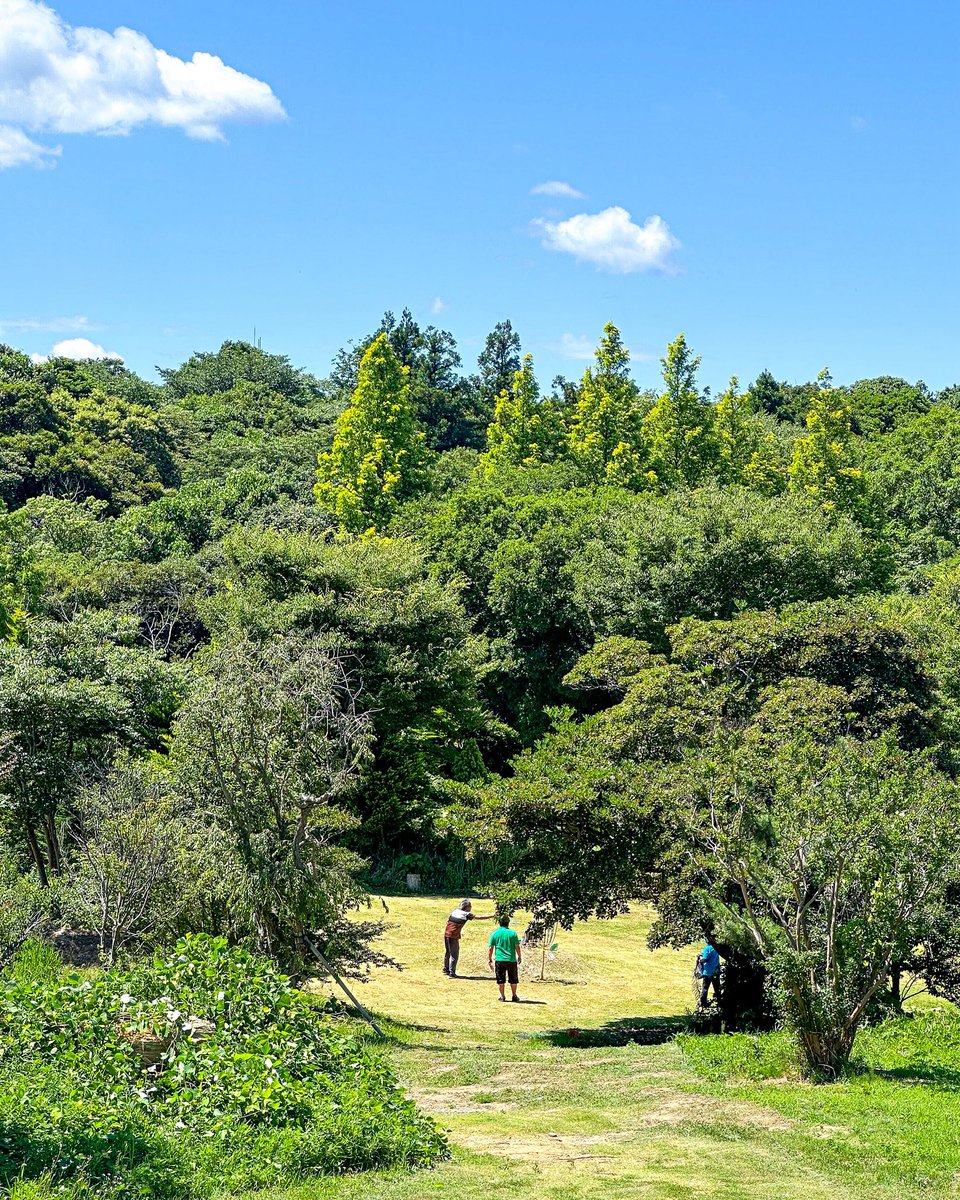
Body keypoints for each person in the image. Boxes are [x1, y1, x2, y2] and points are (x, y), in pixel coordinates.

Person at [443, 899, 494, 977]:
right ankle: (452, 972)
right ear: (467, 907)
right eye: (470, 906)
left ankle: (445, 969)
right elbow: (479, 917)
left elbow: (448, 921)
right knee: (454, 954)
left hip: (446, 934)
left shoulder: (455, 911)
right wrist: (492, 916)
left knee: (448, 952)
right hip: (453, 936)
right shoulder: (466, 914)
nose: (471, 908)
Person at [488, 914, 522, 1002]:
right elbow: (517, 946)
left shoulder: (495, 933)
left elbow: (491, 948)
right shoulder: (513, 933)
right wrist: (519, 956)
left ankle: (502, 996)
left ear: (499, 923)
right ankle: (514, 995)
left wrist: (489, 959)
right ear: (508, 923)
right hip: (511, 959)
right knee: (513, 979)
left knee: (500, 979)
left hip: (499, 960)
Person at [698, 941, 721, 1007]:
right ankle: (719, 1002)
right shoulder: (716, 948)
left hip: (708, 972)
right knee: (717, 988)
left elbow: (704, 959)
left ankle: (703, 1003)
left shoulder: (707, 948)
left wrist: (700, 958)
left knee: (705, 988)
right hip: (716, 971)